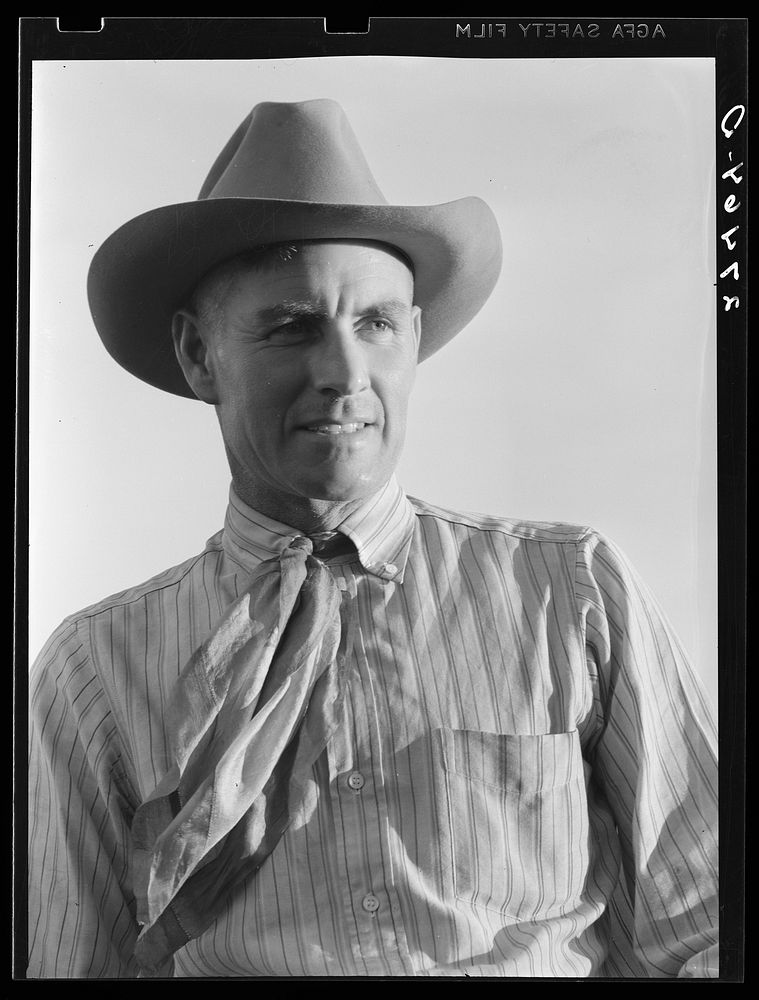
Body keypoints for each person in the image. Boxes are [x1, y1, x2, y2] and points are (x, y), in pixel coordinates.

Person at [27, 98, 718, 979]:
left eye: (377, 324)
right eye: (290, 326)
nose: (345, 374)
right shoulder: (96, 668)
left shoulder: (571, 589)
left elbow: (706, 923)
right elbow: (63, 967)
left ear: (415, 339)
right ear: (200, 356)